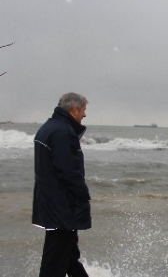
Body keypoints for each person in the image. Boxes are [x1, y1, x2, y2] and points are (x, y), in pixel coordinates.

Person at [33, 92, 91, 277]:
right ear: (74, 110)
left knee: (68, 256)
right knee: (55, 263)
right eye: (83, 110)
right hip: (62, 208)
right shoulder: (63, 132)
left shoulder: (49, 128)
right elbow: (69, 172)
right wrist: (83, 197)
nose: (84, 114)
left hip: (52, 204)